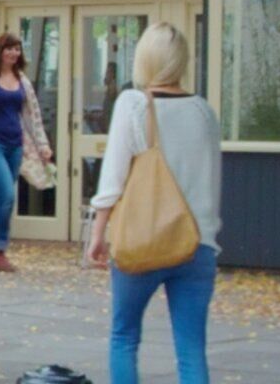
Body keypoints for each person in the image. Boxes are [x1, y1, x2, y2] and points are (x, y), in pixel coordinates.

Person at [84, 21, 218, 384]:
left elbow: (112, 178)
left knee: (124, 337)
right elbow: (210, 184)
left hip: (141, 241)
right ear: (181, 61)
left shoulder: (133, 104)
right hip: (197, 243)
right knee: (191, 350)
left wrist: (98, 232)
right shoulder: (205, 113)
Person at [0, 34, 36, 271]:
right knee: (6, 193)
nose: (14, 53)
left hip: (15, 144)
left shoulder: (22, 80)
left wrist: (42, 145)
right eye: (9, 49)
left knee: (1, 198)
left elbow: (33, 115)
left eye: (17, 49)